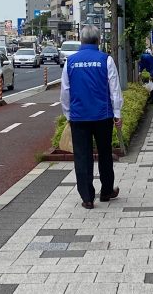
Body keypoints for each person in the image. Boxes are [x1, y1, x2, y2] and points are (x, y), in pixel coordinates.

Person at [60, 25, 123, 210]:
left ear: (81, 40)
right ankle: (106, 191)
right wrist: (117, 113)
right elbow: (114, 89)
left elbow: (65, 92)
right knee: (104, 153)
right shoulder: (106, 60)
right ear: (98, 40)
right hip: (102, 115)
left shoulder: (70, 62)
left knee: (82, 156)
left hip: (79, 117)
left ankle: (87, 197)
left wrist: (68, 114)